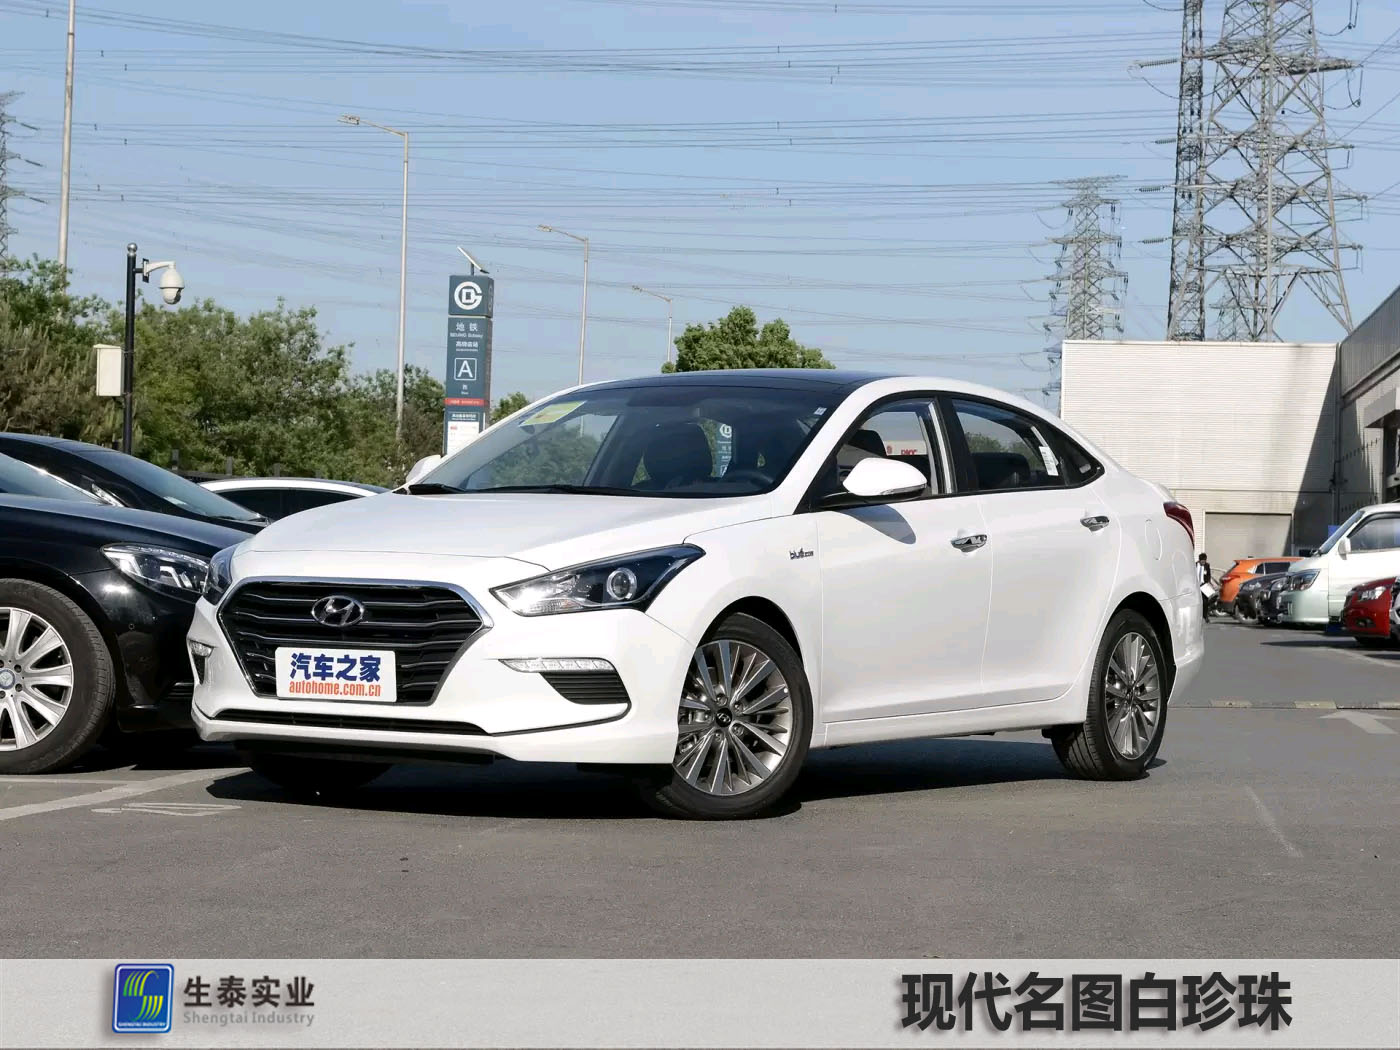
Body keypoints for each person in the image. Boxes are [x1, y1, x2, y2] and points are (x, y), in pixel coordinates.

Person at [1196, 552, 1212, 622]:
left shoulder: (1207, 566)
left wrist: (1207, 582)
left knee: (1205, 602)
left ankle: (1205, 616)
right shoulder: (1195, 565)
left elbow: (1209, 575)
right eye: (1202, 561)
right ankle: (1197, 617)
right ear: (1199, 560)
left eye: (1204, 561)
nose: (1203, 562)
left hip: (1204, 586)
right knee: (1197, 602)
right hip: (1196, 586)